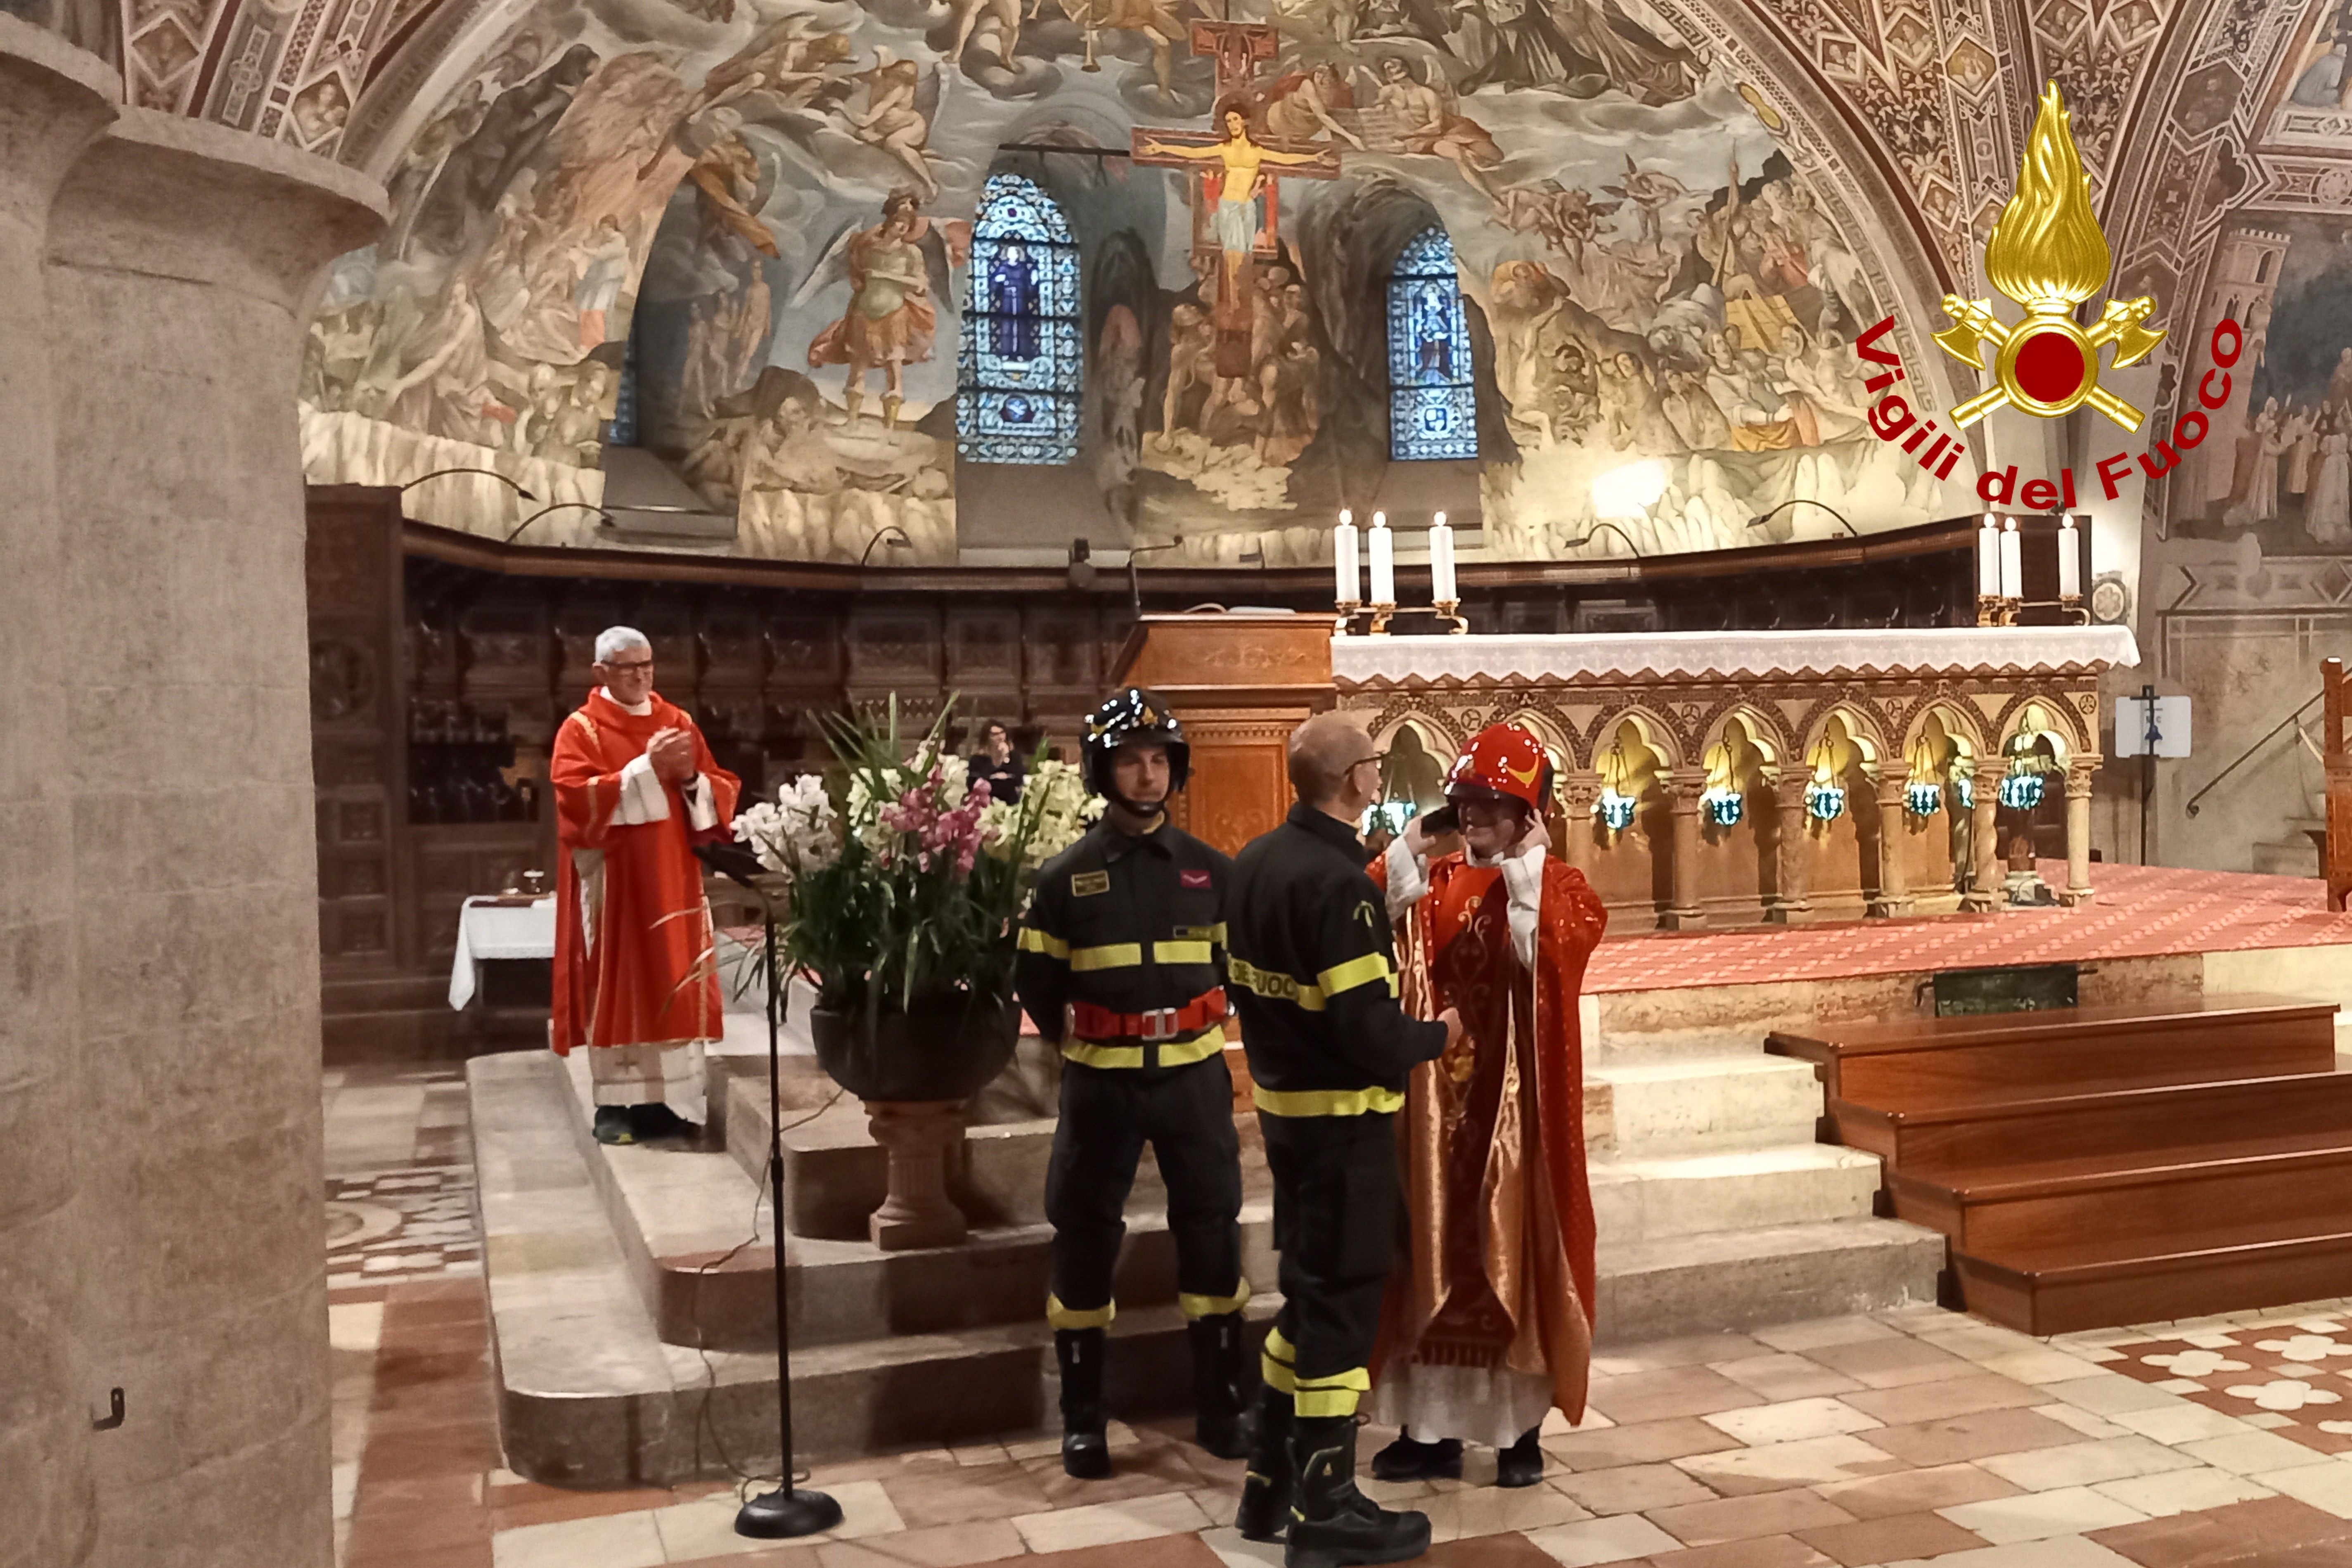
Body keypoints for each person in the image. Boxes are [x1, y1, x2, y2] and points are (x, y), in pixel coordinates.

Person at [1225, 710, 1463, 1567]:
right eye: (1372, 761)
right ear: (1358, 779)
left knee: (1306, 1300)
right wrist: (1438, 1034)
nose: (1377, 773)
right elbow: (1366, 1030)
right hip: (1341, 1130)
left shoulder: (1255, 862)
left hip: (1288, 1119)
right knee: (1338, 1311)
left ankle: (1268, 1483)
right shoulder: (1337, 886)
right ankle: (1324, 1505)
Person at [1014, 689, 1252, 1478]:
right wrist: (1095, 1040)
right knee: (1083, 1238)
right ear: (1101, 770)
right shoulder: (1062, 878)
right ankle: (1083, 1420)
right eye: (1130, 759)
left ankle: (1222, 1405)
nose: (1147, 774)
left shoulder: (1209, 872)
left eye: (1159, 760)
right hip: (1101, 1090)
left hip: (1192, 1082)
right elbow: (1038, 985)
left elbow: (1236, 973)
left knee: (1212, 1234)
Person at [1364, 724, 1606, 1489]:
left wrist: (1528, 868)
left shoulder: (1555, 886)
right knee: (1428, 1248)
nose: (1473, 818)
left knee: (1511, 1248)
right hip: (1432, 1109)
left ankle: (1517, 1433)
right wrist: (1412, 839)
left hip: (1511, 1115)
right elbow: (1372, 902)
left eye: (1492, 805)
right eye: (1464, 803)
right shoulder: (1429, 880)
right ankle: (1430, 1427)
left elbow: (1550, 957)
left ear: (1528, 813)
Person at [550, 628, 742, 1145]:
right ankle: (615, 1108)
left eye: (648, 665)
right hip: (615, 883)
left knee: (671, 982)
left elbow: (717, 787)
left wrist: (689, 781)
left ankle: (665, 1102)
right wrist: (645, 769)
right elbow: (574, 800)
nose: (641, 675)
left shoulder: (676, 722)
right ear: (601, 674)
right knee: (621, 980)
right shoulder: (581, 730)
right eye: (628, 667)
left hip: (673, 876)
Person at [970, 720, 1026, 805]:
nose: (1000, 737)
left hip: (1010, 800)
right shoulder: (978, 759)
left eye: (1002, 733)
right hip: (987, 799)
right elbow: (974, 782)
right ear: (987, 737)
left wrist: (1006, 757)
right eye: (995, 735)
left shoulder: (1014, 756)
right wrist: (995, 777)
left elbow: (1018, 779)